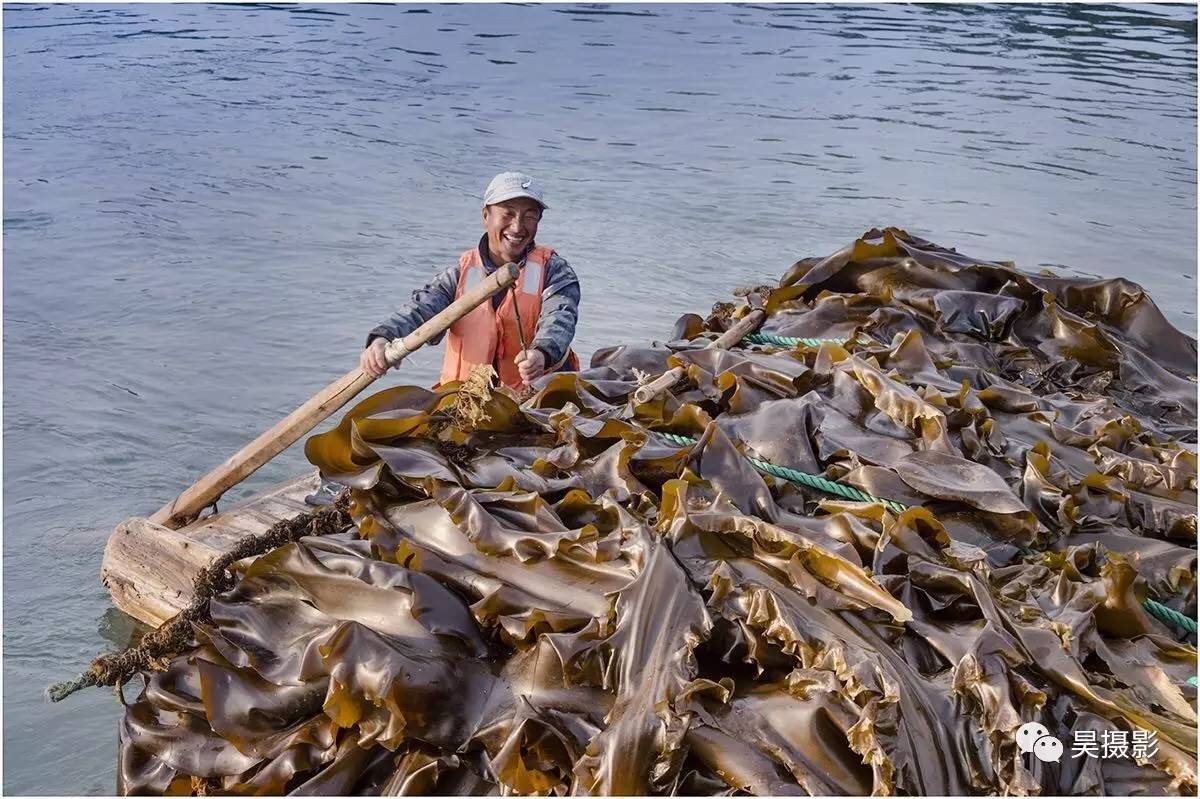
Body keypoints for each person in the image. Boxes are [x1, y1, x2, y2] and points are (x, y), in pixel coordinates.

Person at [360, 171, 580, 389]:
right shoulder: (460, 274)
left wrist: (542, 354)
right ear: (486, 216)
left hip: (533, 400)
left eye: (530, 216)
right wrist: (383, 338)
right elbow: (420, 309)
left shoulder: (555, 271)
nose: (517, 227)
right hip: (465, 398)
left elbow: (560, 318)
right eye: (508, 214)